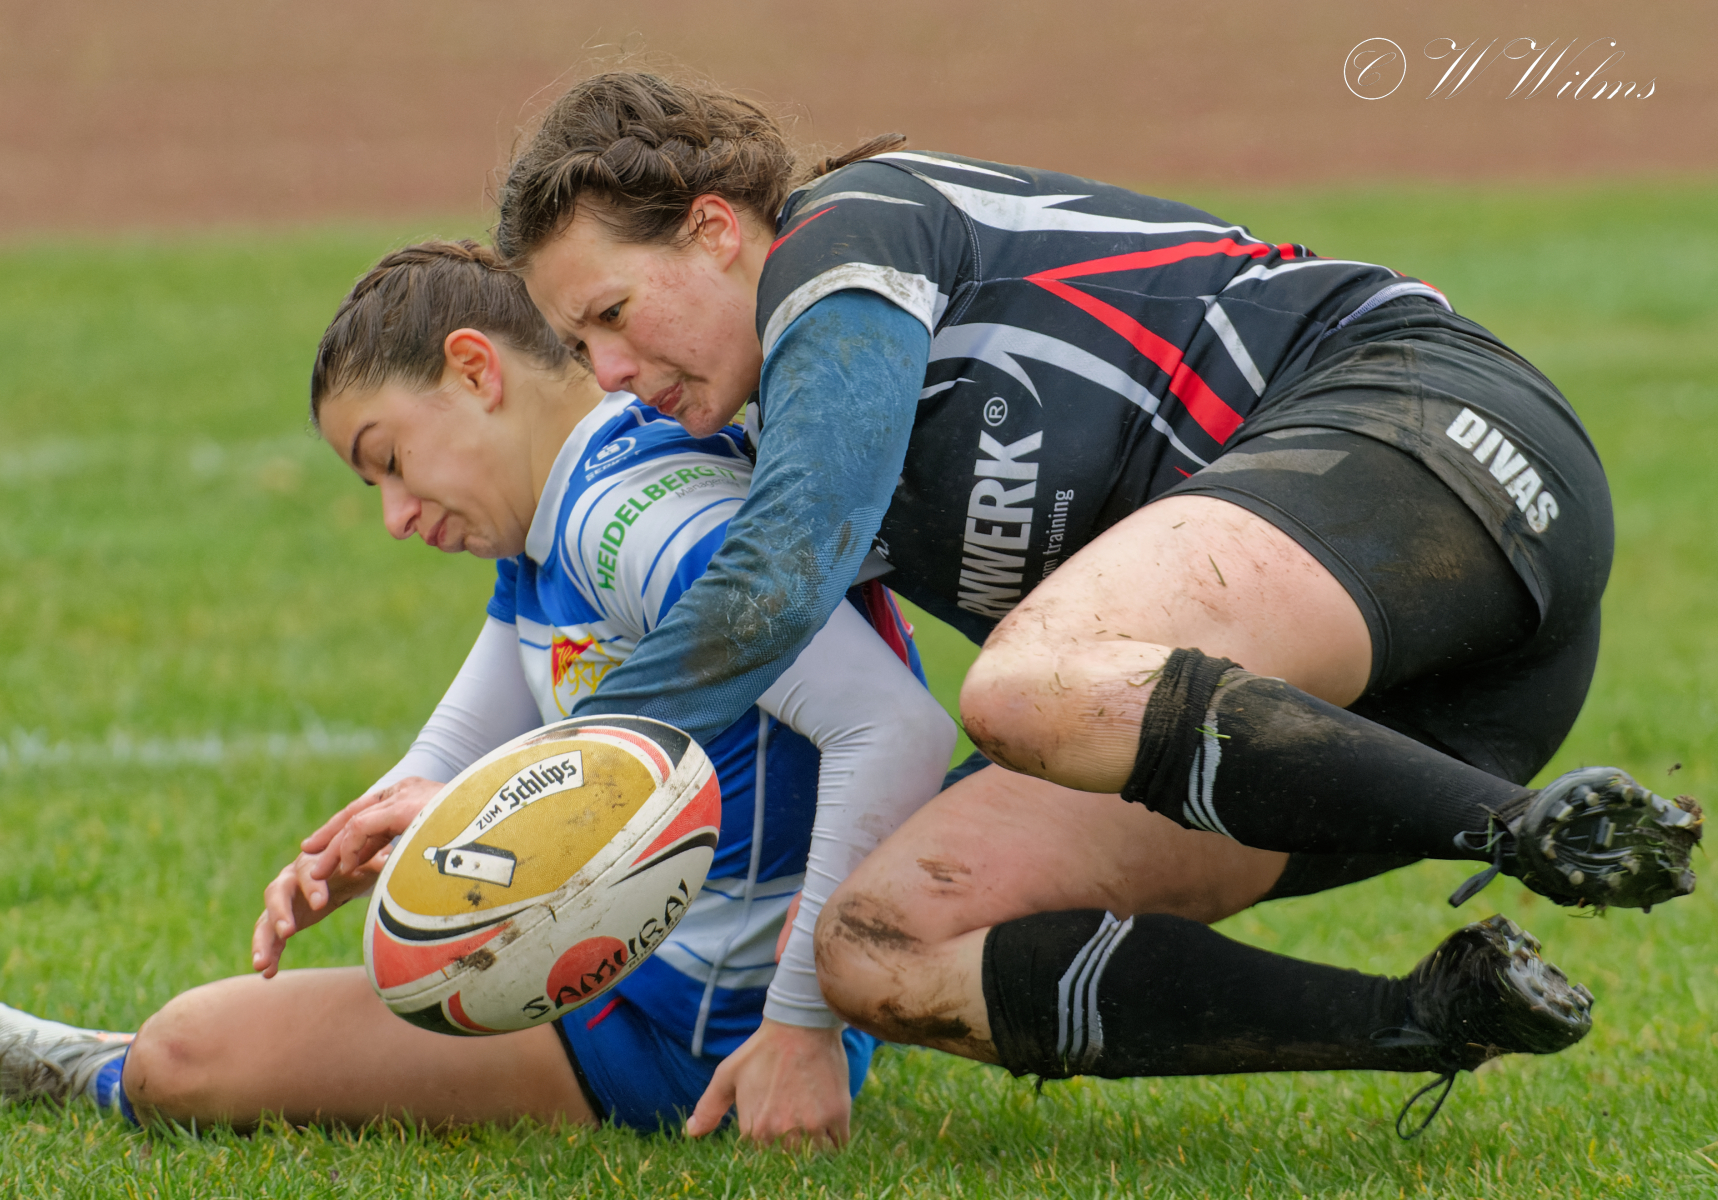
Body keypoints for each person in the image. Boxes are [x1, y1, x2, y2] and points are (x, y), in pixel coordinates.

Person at [494, 72, 1695, 1107]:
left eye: (613, 314)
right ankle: (1429, 1017)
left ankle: (1532, 831)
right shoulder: (764, 430)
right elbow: (644, 604)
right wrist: (456, 793)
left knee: (1029, 684)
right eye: (582, 348)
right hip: (1428, 719)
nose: (610, 370)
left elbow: (789, 558)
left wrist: (572, 787)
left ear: (714, 230)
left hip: (1443, 450)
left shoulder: (850, 233)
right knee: (877, 945)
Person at [0, 240, 949, 1146]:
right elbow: (473, 724)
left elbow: (895, 725)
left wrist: (802, 1028)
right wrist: (381, 822)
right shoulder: (562, 513)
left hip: (694, 1038)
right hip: (639, 982)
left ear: (474, 369)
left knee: (182, 1057)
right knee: (238, 1029)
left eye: (393, 460)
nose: (397, 517)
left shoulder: (627, 519)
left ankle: (84, 1066)